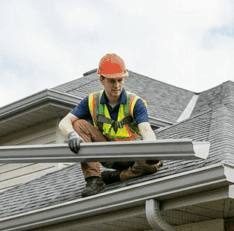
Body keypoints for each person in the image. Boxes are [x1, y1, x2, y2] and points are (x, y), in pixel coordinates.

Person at [58, 53, 161, 197]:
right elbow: (64, 122)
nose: (117, 85)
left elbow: (146, 129)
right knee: (79, 124)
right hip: (108, 155)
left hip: (131, 156)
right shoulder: (91, 101)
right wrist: (72, 135)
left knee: (154, 163)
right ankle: (94, 180)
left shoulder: (134, 103)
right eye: (112, 81)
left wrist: (152, 149)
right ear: (101, 79)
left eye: (120, 80)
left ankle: (120, 176)